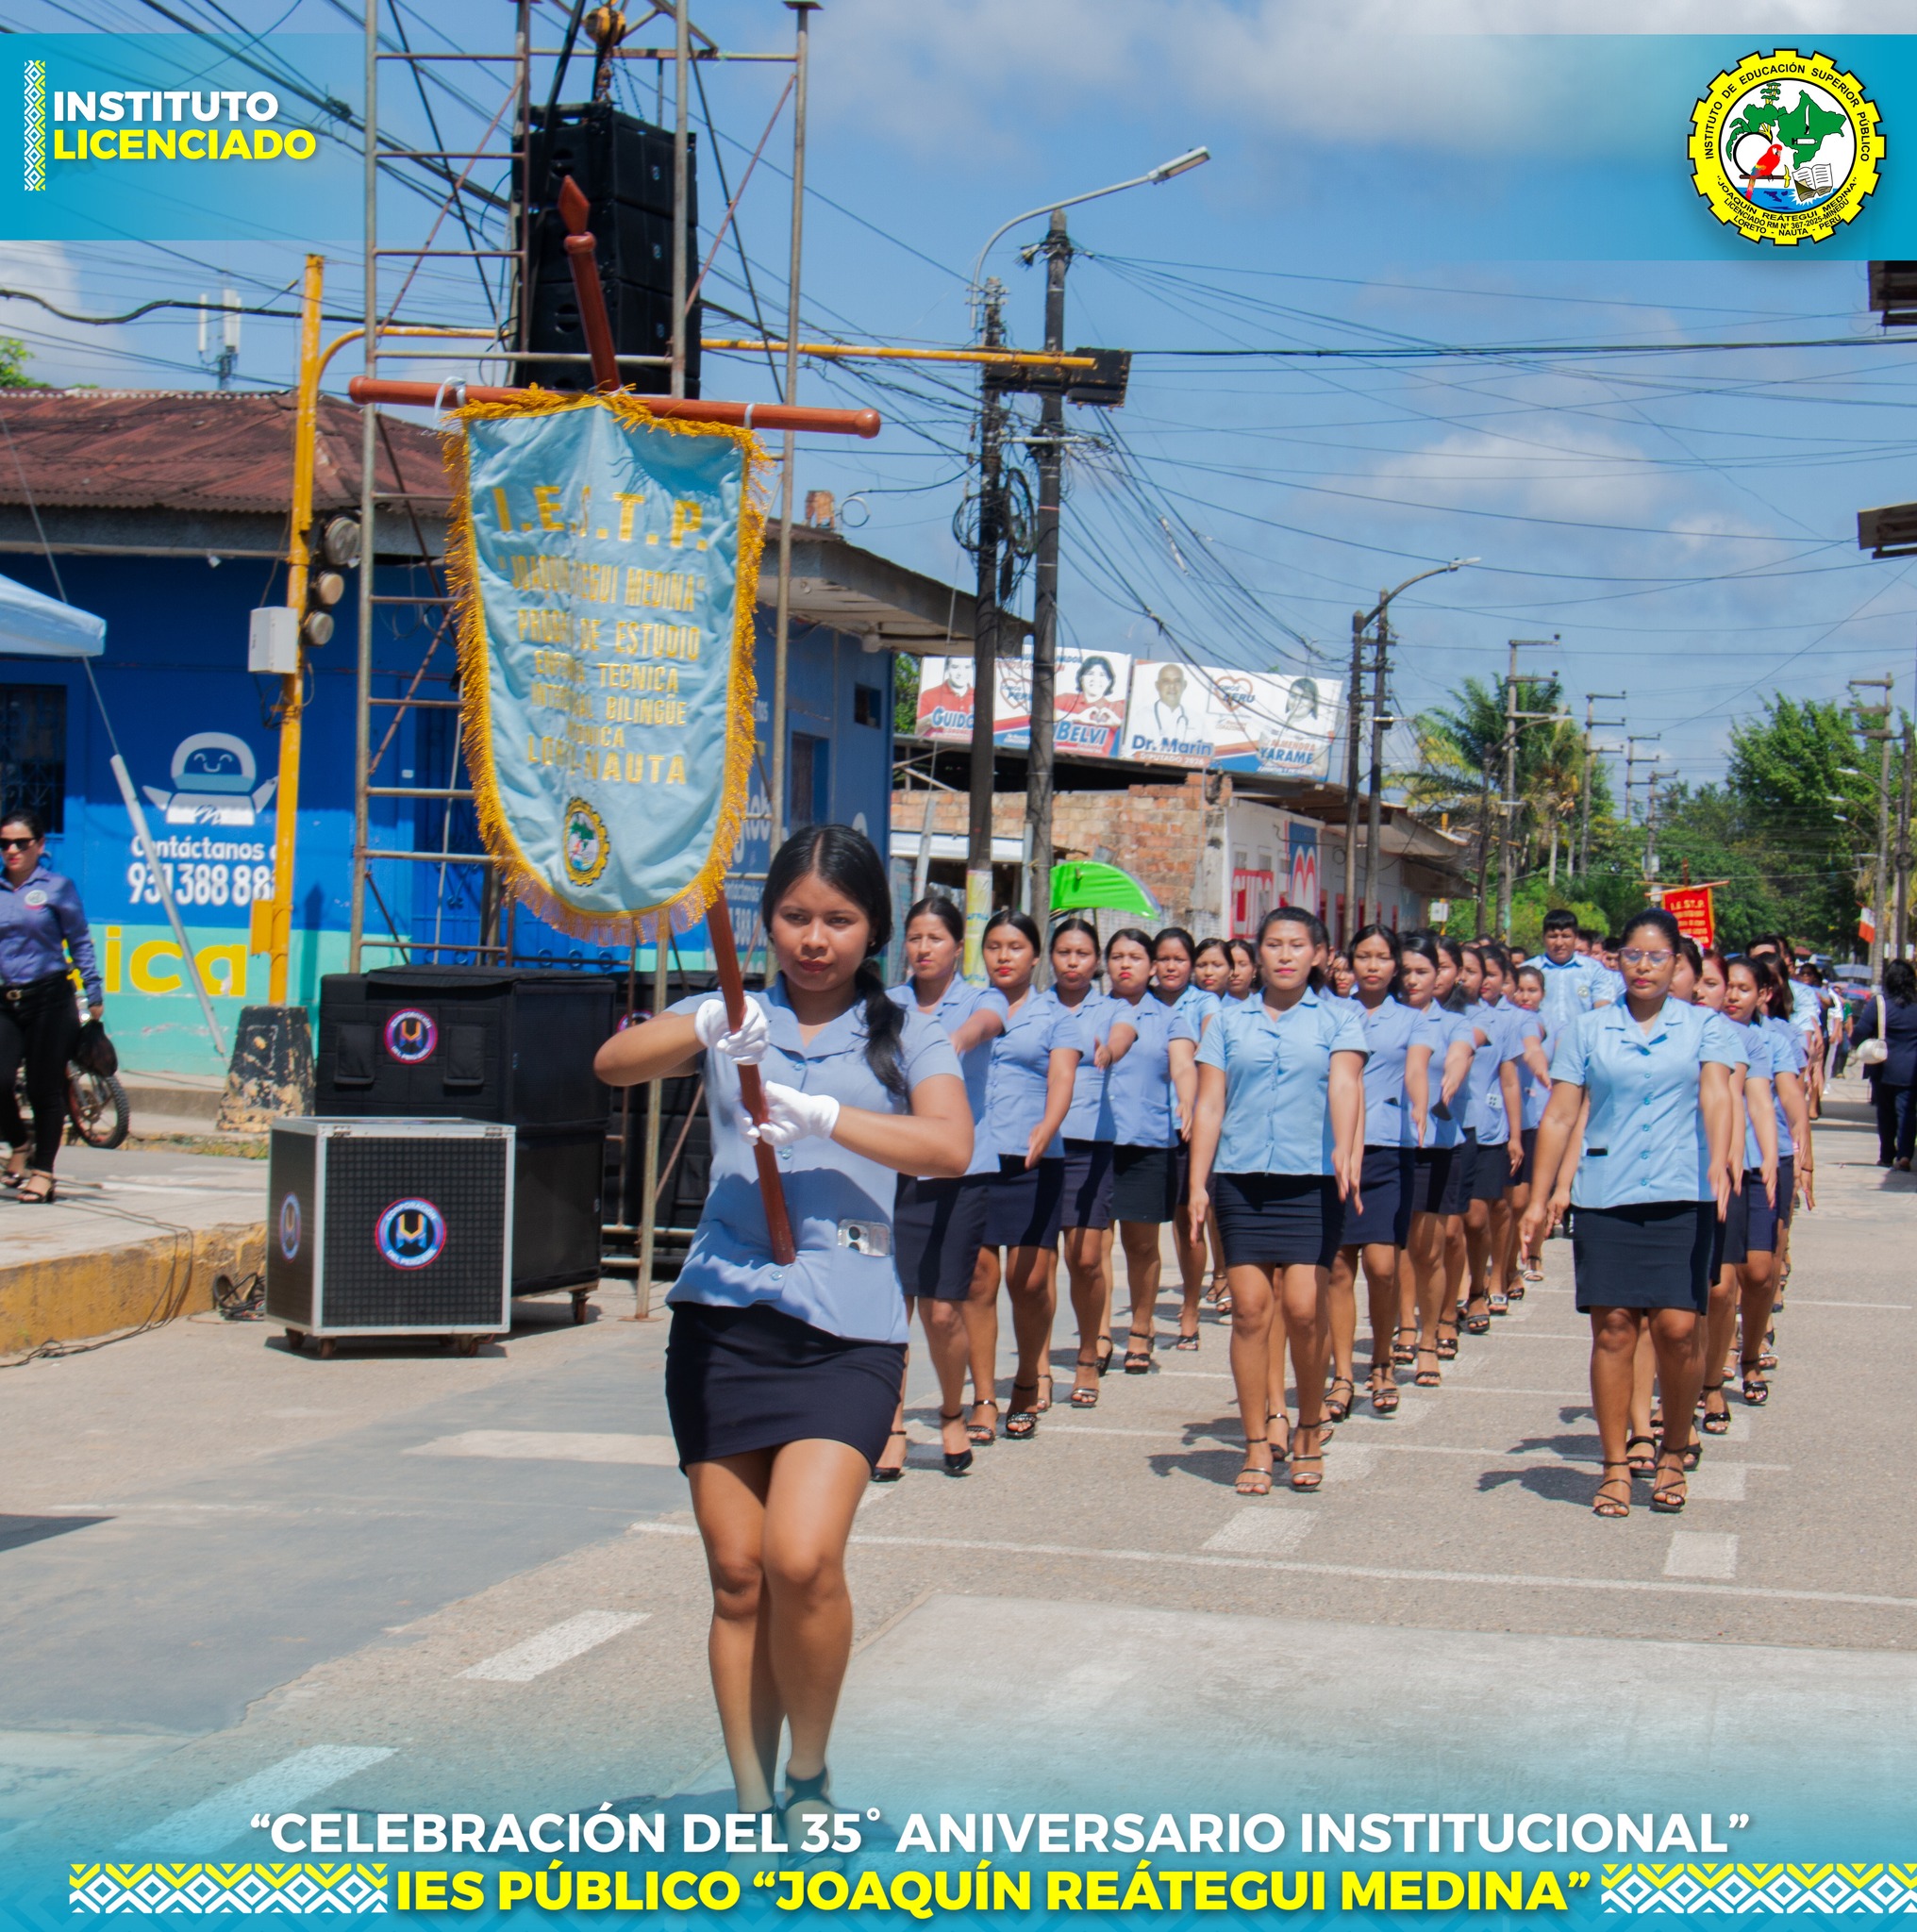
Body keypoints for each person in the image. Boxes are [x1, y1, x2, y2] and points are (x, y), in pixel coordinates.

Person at [592, 824, 972, 1826]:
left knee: (801, 1558)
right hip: (723, 1321)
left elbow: (948, 1144)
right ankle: (755, 1801)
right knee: (738, 1575)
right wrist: (705, 1025)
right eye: (796, 916)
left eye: (838, 919)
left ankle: (808, 1770)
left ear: (873, 928)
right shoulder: (734, 1014)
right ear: (765, 922)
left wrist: (826, 1117)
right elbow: (613, 1063)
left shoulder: (905, 1030)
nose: (814, 938)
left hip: (846, 1332)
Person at [1522, 908, 1739, 1519]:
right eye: (1633, 956)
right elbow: (1561, 1114)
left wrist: (1721, 1160)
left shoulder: (1705, 1027)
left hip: (1682, 1191)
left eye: (1657, 956)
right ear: (1617, 961)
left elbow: (1717, 1094)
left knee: (1677, 1328)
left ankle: (1673, 1450)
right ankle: (1616, 1464)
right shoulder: (1589, 1030)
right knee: (1614, 1328)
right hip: (1606, 1194)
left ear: (1677, 963)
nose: (1644, 967)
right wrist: (1538, 1198)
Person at [1187, 904, 1366, 1495]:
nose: (1284, 955)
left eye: (1296, 945)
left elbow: (1346, 1084)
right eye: (1273, 945)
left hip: (1312, 1180)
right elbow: (1209, 1104)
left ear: (1318, 955)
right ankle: (1258, 1443)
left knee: (1305, 1309)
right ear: (1256, 954)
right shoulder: (1227, 1023)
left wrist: (1346, 1148)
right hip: (1241, 1179)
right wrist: (1197, 1183)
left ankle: (1309, 1427)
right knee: (1249, 1311)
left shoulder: (1339, 1020)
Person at [879, 895, 1006, 1479]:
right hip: (895, 1168)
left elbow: (986, 1026)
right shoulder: (886, 1005)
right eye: (915, 938)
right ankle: (892, 1425)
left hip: (960, 1170)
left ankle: (953, 1411)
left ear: (958, 947)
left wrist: (952, 1041)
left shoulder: (980, 999)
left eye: (935, 938)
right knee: (891, 1306)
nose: (923, 948)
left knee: (943, 1310)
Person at [971, 909, 1086, 1439]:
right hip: (976, 1158)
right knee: (978, 1279)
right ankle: (983, 1396)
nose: (1003, 956)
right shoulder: (969, 1006)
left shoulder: (1055, 1016)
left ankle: (1025, 1378)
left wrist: (1049, 1124)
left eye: (1015, 947)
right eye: (994, 946)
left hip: (1035, 1160)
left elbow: (1062, 1076)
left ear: (1035, 956)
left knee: (1030, 1280)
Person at [1327, 924, 1432, 1419]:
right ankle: (1342, 1374)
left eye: (1383, 957)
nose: (1373, 966)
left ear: (1396, 966)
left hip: (1389, 1147)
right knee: (1338, 1265)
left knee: (1383, 1265)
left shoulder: (1412, 1020)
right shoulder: (1331, 1013)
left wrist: (1420, 1103)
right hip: (1335, 1147)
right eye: (1364, 956)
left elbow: (1416, 1069)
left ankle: (1383, 1361)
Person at [0, 806, 102, 1204]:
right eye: (4, 843)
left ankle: (43, 1172)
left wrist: (93, 992)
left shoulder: (58, 887)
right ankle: (19, 1143)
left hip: (50, 999)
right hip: (6, 1000)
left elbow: (79, 940)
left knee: (44, 1087)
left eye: (21, 843)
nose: (12, 850)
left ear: (40, 845)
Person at [1104, 927, 1192, 1369]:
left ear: (1152, 966)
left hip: (1148, 1141)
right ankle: (1099, 1330)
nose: (1125, 964)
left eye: (1135, 957)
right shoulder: (1092, 1011)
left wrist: (1188, 1099)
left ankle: (1141, 1326)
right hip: (1096, 1141)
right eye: (1117, 956)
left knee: (1141, 1245)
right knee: (1092, 1248)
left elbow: (1183, 1065)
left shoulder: (1170, 1017)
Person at [1051, 917, 1125, 1407]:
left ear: (1095, 960)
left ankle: (1087, 1351)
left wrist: (1108, 1052)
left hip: (1090, 1148)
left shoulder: (1111, 1008)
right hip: (1040, 1146)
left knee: (1085, 1258)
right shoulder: (1036, 1008)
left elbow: (1123, 1036)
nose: (1073, 962)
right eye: (1064, 952)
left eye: (1082, 953)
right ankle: (1036, 1369)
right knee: (1035, 1266)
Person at [1397, 932, 1473, 1387]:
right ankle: (1403, 1326)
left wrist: (1451, 1081)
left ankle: (1429, 1336)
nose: (1413, 980)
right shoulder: (1379, 1019)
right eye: (1405, 971)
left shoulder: (1454, 1024)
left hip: (1437, 1144)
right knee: (1393, 1248)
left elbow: (1461, 1055)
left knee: (1429, 1248)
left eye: (1422, 971)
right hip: (1387, 1145)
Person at [1851, 959, 1917, 1169]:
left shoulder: (1879, 1004)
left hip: (1883, 1066)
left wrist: (1858, 1041)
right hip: (1912, 1068)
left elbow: (1860, 1032)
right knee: (1907, 1112)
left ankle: (1887, 1155)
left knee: (1885, 1112)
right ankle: (1905, 1155)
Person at [1534, 907, 1616, 1031]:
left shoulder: (1594, 970)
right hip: (1539, 1039)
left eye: (1566, 936)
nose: (1559, 943)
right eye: (1553, 936)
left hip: (1583, 1038)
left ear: (1575, 938)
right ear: (1543, 937)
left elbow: (1603, 1007)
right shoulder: (1530, 969)